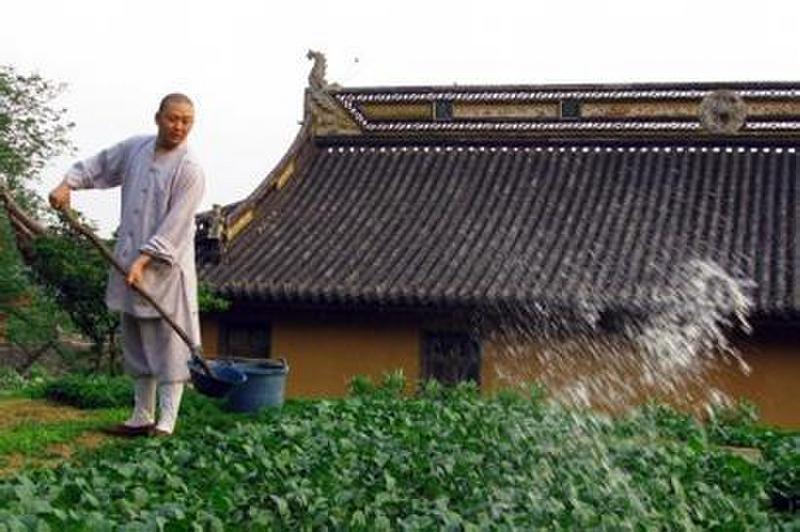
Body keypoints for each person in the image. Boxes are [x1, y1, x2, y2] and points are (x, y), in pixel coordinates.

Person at [49, 93, 205, 437]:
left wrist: (144, 262)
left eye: (186, 121)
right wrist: (67, 183)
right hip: (128, 260)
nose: (179, 127)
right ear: (158, 118)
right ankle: (141, 415)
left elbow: (176, 225)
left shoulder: (190, 169)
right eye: (173, 119)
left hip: (165, 269)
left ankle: (166, 422)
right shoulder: (136, 148)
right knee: (135, 337)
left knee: (168, 343)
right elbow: (101, 164)